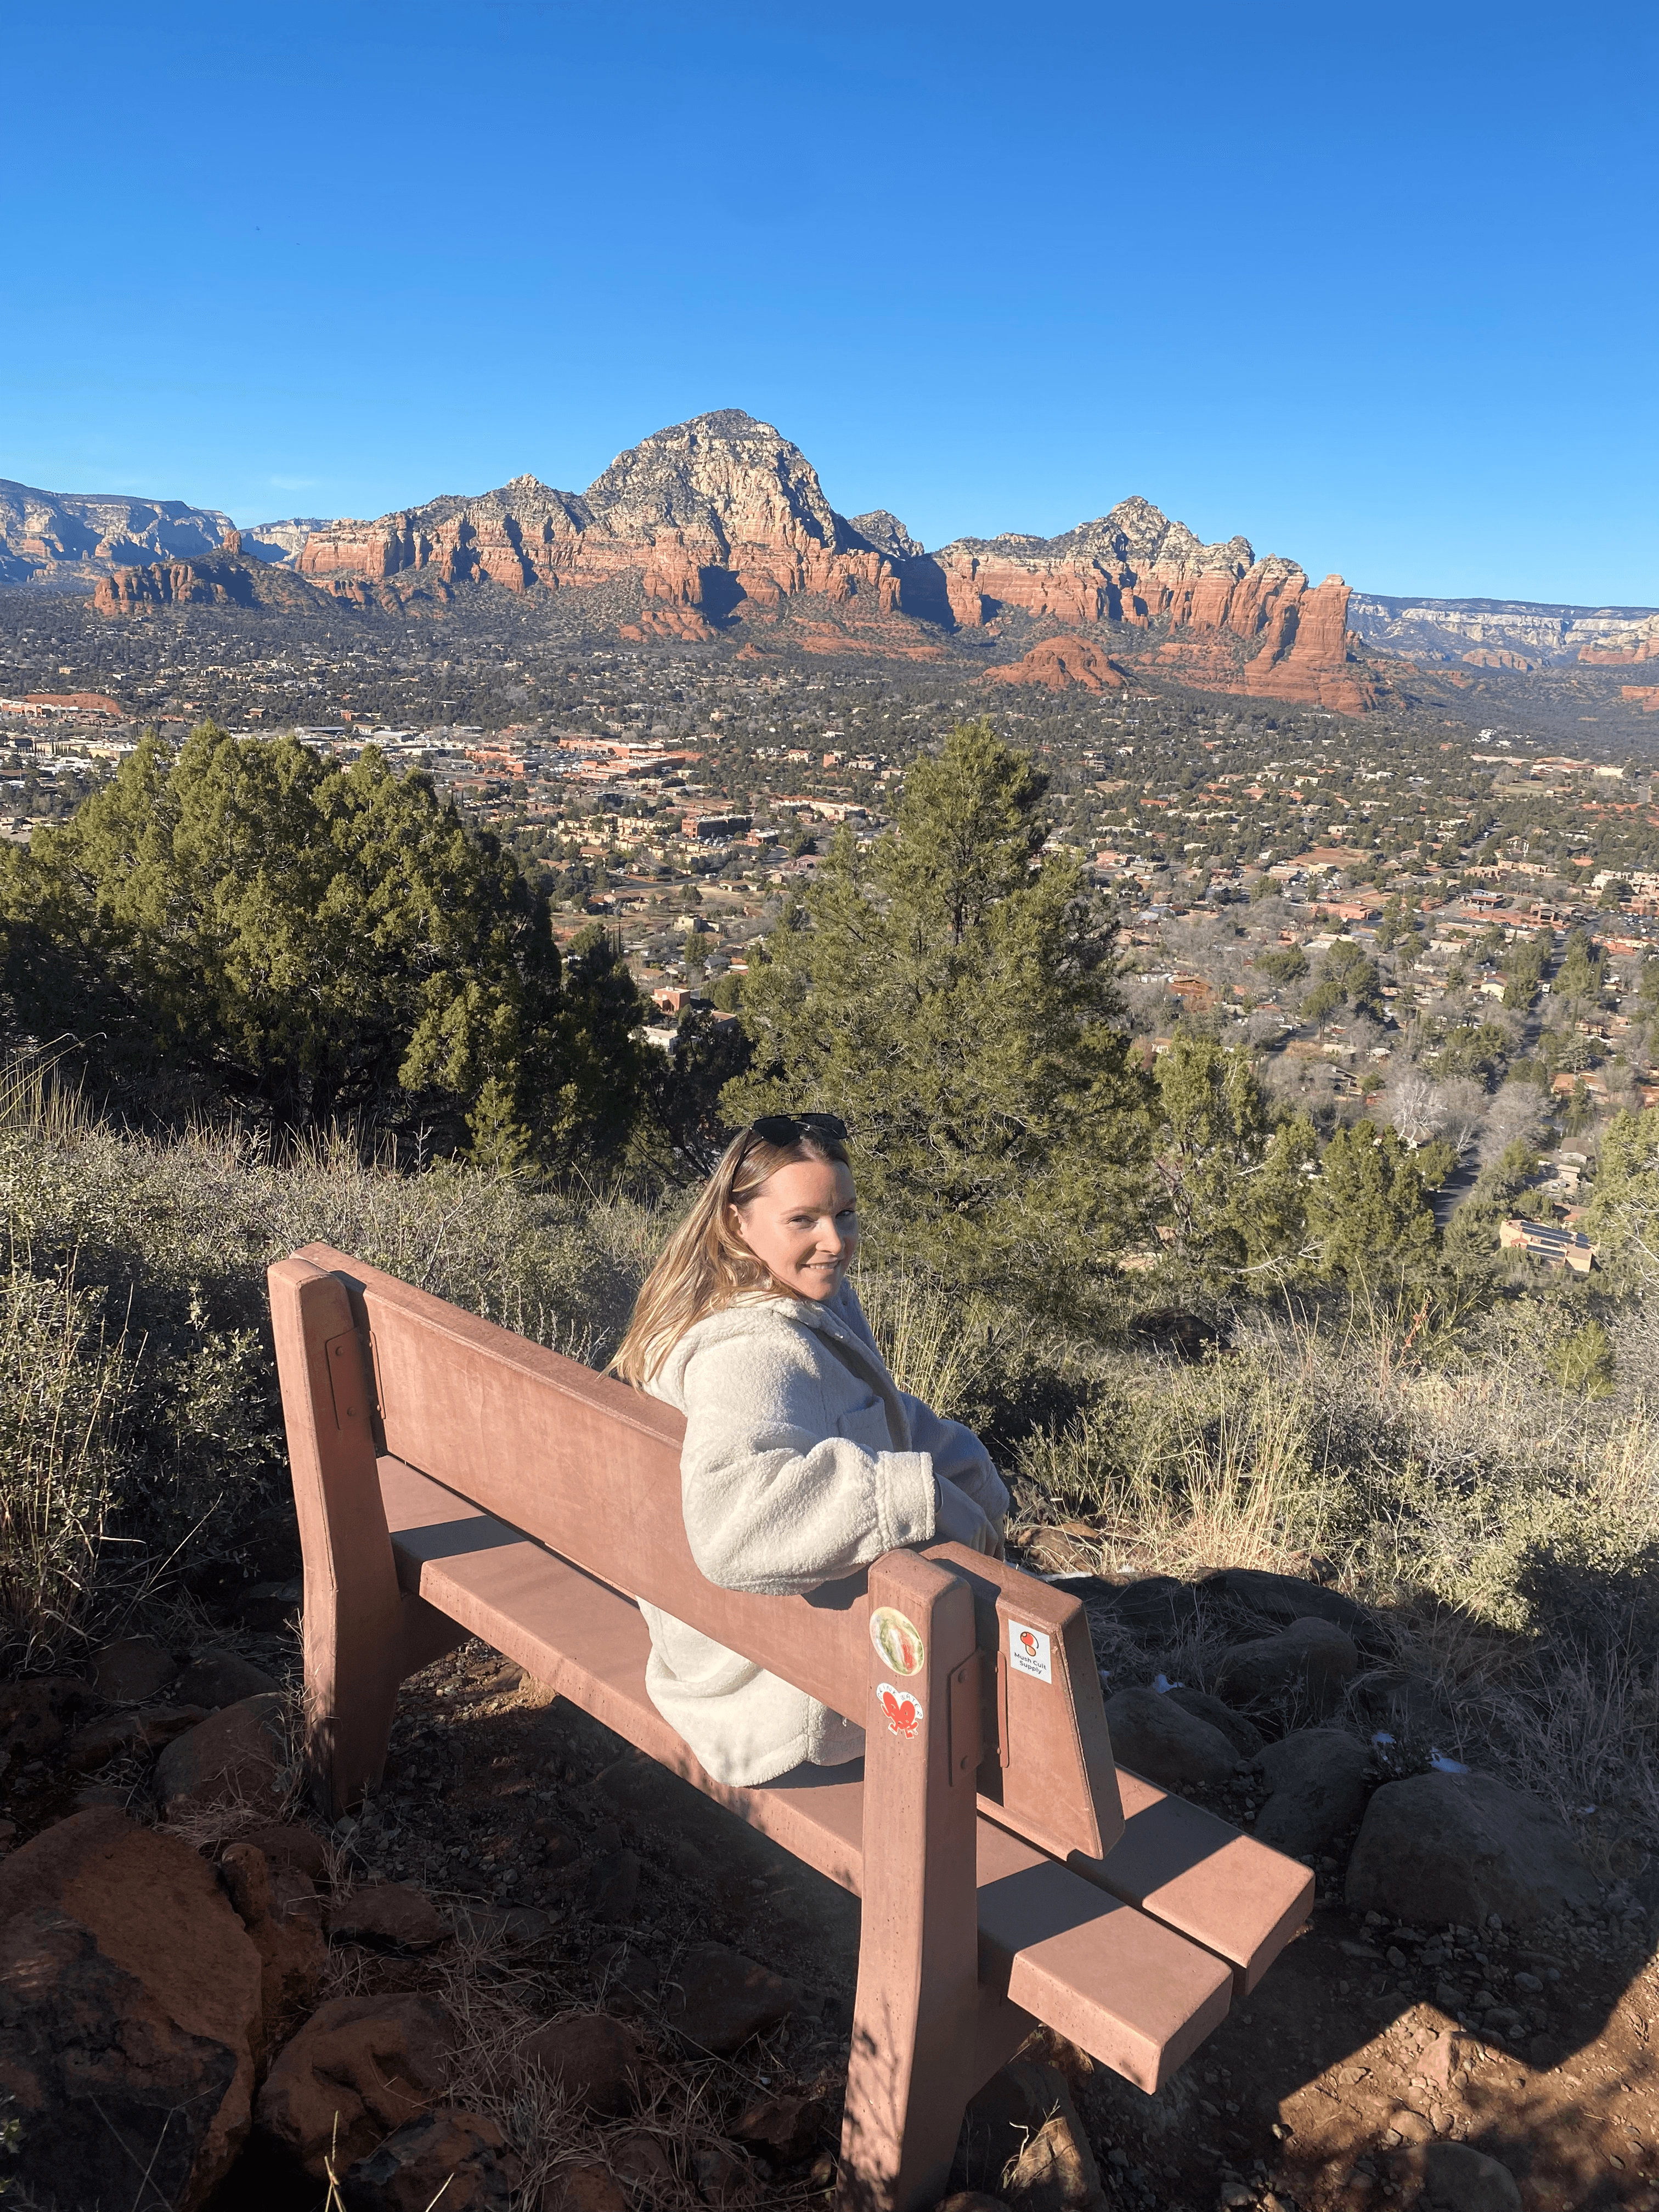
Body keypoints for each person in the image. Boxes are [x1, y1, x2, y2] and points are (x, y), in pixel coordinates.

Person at [611, 1113, 1008, 1787]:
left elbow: (853, 1413)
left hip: (719, 1651)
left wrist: (961, 1466)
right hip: (769, 1705)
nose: (836, 1241)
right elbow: (732, 1529)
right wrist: (922, 1493)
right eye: (804, 1221)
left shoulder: (770, 1296)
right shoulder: (751, 1350)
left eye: (845, 1215)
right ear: (739, 1223)